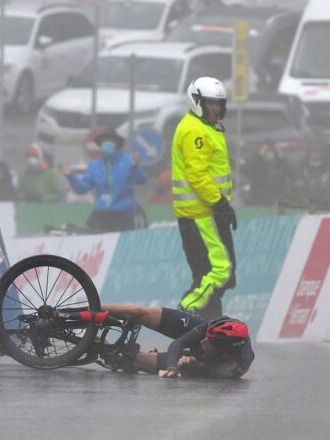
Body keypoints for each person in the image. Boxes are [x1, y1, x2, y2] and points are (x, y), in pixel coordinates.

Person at [171, 76, 237, 320]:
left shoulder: (205, 127)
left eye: (219, 104)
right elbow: (198, 176)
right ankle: (188, 309)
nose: (216, 109)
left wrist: (223, 206)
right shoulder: (195, 131)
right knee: (221, 271)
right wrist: (220, 204)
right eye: (210, 104)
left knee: (212, 274)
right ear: (197, 101)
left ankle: (209, 322)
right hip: (202, 214)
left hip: (207, 212)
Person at [101, 304, 254, 379]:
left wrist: (182, 367)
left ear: (223, 351)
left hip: (204, 363)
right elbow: (179, 343)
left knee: (131, 360)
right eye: (206, 337)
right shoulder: (216, 328)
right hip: (208, 338)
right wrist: (171, 366)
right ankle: (89, 307)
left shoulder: (234, 367)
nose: (203, 341)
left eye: (208, 342)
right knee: (139, 313)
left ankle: (100, 350)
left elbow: (200, 373)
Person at [63, 128, 148, 232]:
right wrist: (71, 176)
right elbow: (81, 189)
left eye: (110, 141)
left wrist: (135, 167)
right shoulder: (94, 166)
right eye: (104, 141)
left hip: (124, 214)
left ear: (116, 143)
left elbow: (142, 180)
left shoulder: (129, 161)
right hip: (102, 214)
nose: (107, 144)